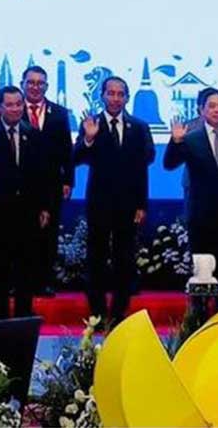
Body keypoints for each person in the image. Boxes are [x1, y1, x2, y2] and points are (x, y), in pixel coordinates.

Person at [73, 76, 155, 325]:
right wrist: (88, 139)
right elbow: (76, 157)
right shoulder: (91, 123)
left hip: (129, 205)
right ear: (103, 96)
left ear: (127, 98)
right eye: (111, 93)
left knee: (125, 260)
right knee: (96, 259)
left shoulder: (139, 127)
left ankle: (119, 314)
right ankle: (97, 313)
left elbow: (145, 163)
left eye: (121, 94)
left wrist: (141, 204)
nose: (116, 98)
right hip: (99, 202)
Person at [164, 89, 218, 307]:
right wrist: (175, 142)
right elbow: (169, 164)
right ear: (201, 110)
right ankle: (199, 315)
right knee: (201, 269)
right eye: (211, 106)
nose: (216, 110)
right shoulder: (191, 139)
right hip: (200, 215)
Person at [0, 87, 52, 319]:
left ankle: (23, 319)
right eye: (9, 104)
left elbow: (42, 173)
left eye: (19, 104)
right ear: (0, 107)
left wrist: (44, 206)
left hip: (26, 213)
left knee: (25, 271)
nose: (15, 109)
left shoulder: (33, 133)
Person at [20, 66, 73, 297]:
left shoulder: (59, 114)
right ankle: (19, 282)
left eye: (40, 83)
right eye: (30, 82)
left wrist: (68, 180)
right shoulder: (12, 109)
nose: (35, 87)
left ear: (47, 86)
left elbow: (67, 150)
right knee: (19, 234)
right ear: (23, 84)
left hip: (51, 183)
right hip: (18, 185)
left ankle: (44, 281)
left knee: (48, 234)